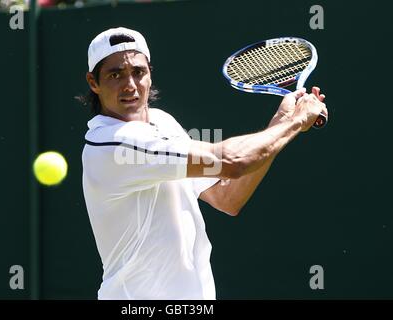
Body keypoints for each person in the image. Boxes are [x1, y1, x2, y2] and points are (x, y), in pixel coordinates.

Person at [80, 27, 328, 300]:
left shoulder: (162, 122)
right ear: (94, 82)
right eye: (115, 75)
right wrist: (295, 122)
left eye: (138, 72)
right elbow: (233, 160)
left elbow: (227, 197)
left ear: (150, 73)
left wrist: (281, 122)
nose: (130, 85)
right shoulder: (113, 144)